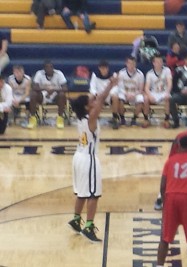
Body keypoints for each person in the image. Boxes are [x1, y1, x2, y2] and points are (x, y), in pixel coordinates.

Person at [67, 74, 118, 243]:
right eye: (91, 100)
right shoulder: (91, 119)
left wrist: (97, 95)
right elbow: (102, 99)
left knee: (82, 193)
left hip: (78, 157)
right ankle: (88, 227)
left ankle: (76, 219)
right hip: (88, 159)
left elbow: (98, 100)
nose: (95, 101)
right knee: (93, 194)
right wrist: (110, 85)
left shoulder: (81, 117)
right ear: (88, 107)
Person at [156, 135, 187, 267]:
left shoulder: (170, 161)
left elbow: (162, 185)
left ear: (179, 146)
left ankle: (160, 265)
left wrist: (166, 203)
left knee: (165, 238)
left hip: (171, 198)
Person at [28, 60, 68, 129]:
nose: (49, 69)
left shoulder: (59, 73)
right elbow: (34, 87)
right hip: (42, 95)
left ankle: (60, 119)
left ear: (53, 67)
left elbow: (65, 88)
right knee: (33, 94)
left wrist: (53, 90)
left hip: (55, 95)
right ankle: (33, 119)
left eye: (51, 67)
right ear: (44, 69)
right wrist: (45, 89)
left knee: (62, 94)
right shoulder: (39, 73)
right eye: (47, 67)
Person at [89, 60, 121, 129]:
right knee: (90, 97)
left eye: (105, 68)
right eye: (102, 68)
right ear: (99, 68)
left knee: (115, 97)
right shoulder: (95, 75)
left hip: (109, 95)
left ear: (107, 68)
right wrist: (96, 94)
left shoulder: (113, 75)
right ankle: (93, 117)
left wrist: (107, 94)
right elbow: (92, 87)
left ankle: (115, 118)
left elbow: (115, 88)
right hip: (98, 95)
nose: (103, 70)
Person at [144, 55, 173, 128]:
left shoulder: (167, 70)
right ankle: (146, 119)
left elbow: (170, 83)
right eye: (157, 62)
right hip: (154, 93)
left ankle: (166, 120)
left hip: (164, 92)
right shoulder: (149, 73)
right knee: (145, 98)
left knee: (167, 98)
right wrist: (150, 96)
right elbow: (146, 88)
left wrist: (167, 92)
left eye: (161, 61)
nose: (159, 63)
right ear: (153, 63)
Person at [117, 56, 146, 127]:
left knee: (141, 100)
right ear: (126, 64)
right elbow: (119, 87)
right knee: (120, 99)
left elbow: (141, 89)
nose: (131, 65)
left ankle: (134, 119)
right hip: (124, 93)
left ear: (135, 64)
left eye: (133, 63)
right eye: (129, 63)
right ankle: (122, 119)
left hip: (135, 94)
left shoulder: (140, 74)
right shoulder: (121, 73)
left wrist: (134, 95)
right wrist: (126, 94)